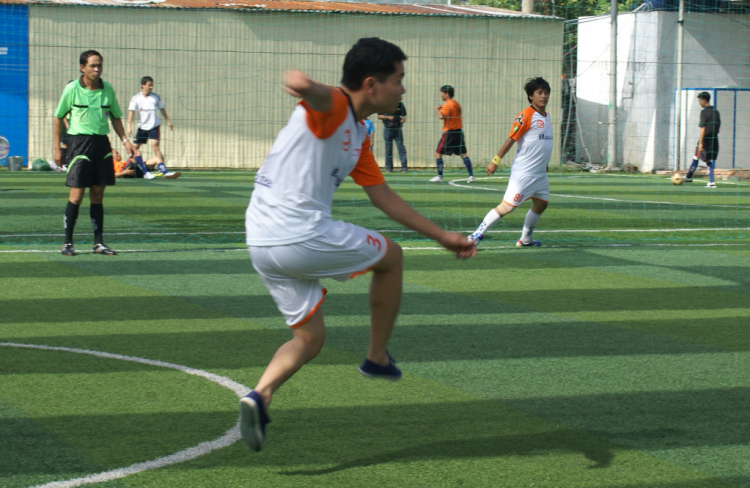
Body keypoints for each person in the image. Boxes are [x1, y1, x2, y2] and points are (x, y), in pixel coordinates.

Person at [240, 37, 477, 453]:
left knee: (310, 339)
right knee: (393, 257)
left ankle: (260, 395)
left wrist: (441, 235)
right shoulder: (333, 105)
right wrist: (300, 82)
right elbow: (313, 93)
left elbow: (382, 196)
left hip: (260, 241)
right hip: (298, 233)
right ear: (371, 84)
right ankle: (376, 357)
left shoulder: (357, 134)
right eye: (399, 80)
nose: (403, 89)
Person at [53, 50, 135, 257]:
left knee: (98, 194)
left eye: (99, 65)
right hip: (79, 144)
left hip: (101, 144)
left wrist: (125, 141)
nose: (97, 69)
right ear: (82, 67)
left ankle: (98, 243)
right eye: (92, 65)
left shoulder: (108, 89)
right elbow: (58, 117)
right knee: (77, 194)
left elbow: (116, 117)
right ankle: (67, 243)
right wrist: (56, 148)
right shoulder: (71, 89)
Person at [468, 77, 553, 248]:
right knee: (506, 207)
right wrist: (495, 161)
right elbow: (511, 139)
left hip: (540, 175)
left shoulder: (547, 116)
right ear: (531, 96)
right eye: (539, 93)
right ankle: (475, 236)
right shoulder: (525, 115)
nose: (544, 96)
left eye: (546, 92)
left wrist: (545, 163)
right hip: (524, 174)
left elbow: (541, 143)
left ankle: (525, 239)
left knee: (541, 203)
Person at [127, 76, 175, 177]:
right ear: (143, 85)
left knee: (155, 147)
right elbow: (131, 112)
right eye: (149, 85)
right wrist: (129, 126)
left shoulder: (156, 97)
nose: (151, 87)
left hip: (154, 126)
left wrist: (168, 122)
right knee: (134, 149)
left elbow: (162, 109)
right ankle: (134, 166)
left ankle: (163, 169)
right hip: (142, 128)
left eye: (152, 85)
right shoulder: (136, 98)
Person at [431, 86, 473, 183]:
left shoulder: (447, 105)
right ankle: (471, 176)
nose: (441, 95)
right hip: (459, 132)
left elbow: (441, 116)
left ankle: (440, 176)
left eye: (441, 93)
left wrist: (437, 109)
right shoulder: (457, 104)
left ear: (446, 94)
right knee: (463, 154)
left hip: (450, 133)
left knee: (437, 154)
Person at [685, 91, 721, 188]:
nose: (699, 102)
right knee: (702, 157)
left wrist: (700, 142)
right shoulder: (716, 112)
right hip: (714, 139)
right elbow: (718, 126)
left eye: (699, 100)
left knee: (702, 158)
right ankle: (688, 177)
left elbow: (703, 128)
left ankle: (711, 181)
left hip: (705, 139)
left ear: (704, 100)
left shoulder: (704, 112)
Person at [378, 100, 408, 172]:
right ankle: (389, 168)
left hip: (397, 129)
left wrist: (401, 122)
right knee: (388, 149)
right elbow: (379, 116)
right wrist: (388, 117)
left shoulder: (400, 105)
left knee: (401, 148)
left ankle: (404, 167)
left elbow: (404, 116)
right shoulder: (384, 104)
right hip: (388, 128)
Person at [113, 148, 180, 179]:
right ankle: (146, 173)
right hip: (124, 173)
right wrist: (124, 173)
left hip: (136, 171)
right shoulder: (111, 164)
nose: (119, 154)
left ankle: (166, 173)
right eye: (116, 153)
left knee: (157, 159)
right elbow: (111, 175)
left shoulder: (122, 162)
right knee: (136, 152)